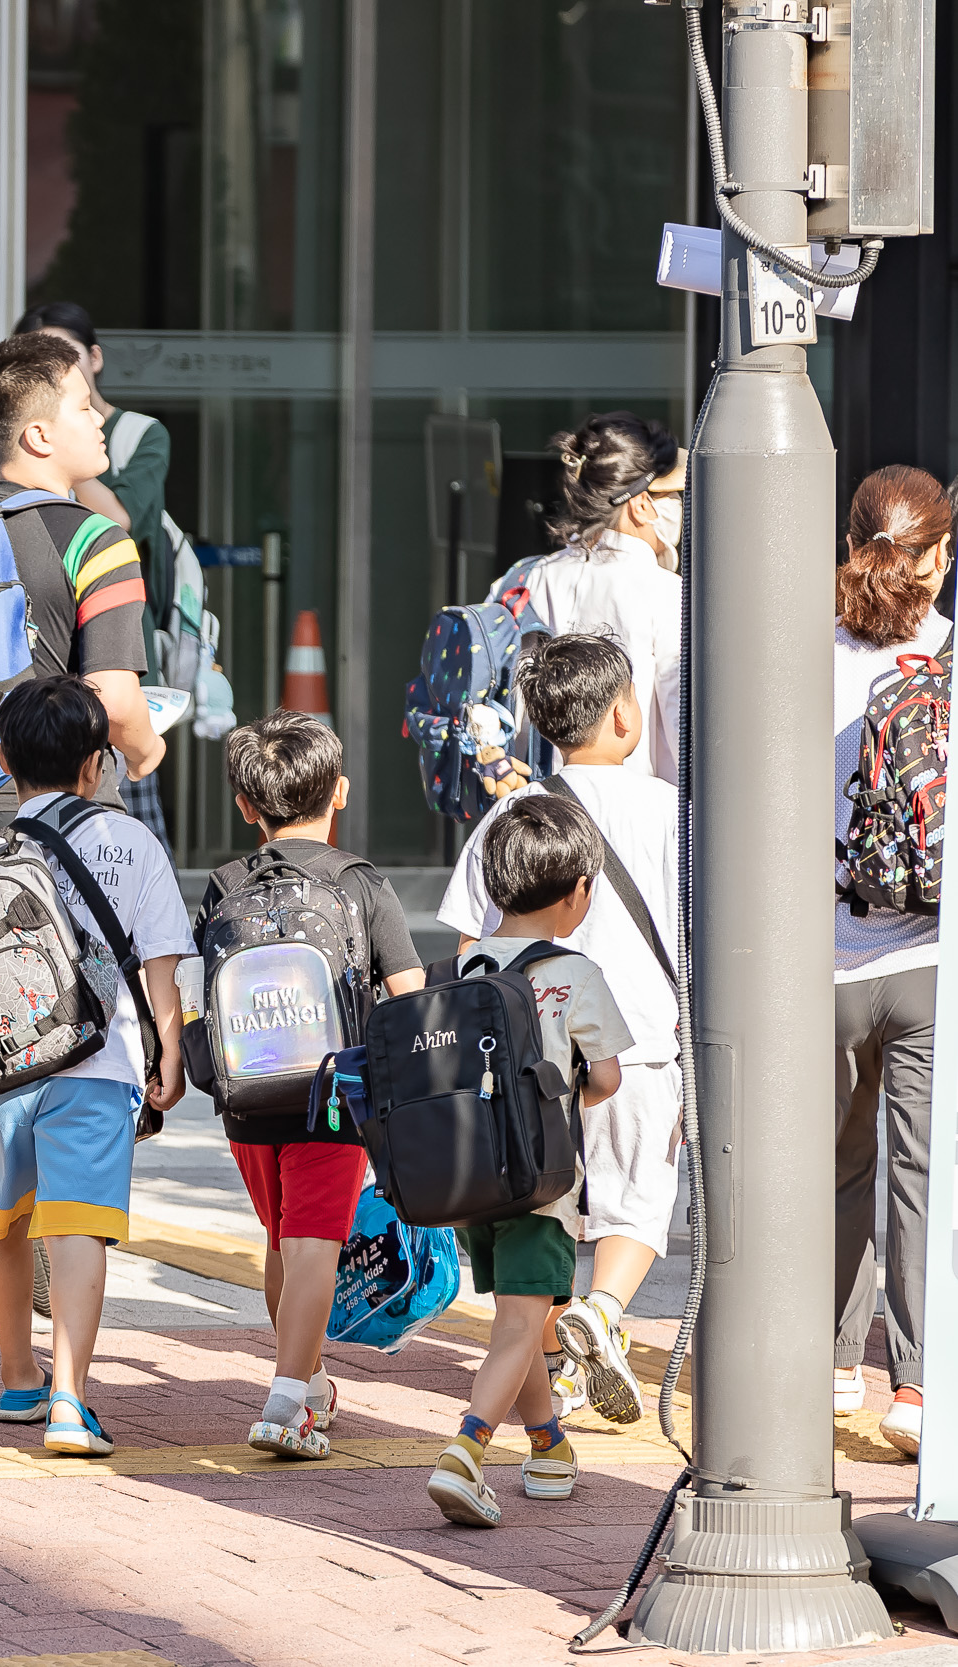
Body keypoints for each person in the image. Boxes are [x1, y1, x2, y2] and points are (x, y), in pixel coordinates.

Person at [0, 331, 171, 1332]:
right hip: (61, 814)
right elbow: (113, 693)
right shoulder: (94, 536)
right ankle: (55, 1247)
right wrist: (146, 750)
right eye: (82, 407)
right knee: (69, 1026)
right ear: (36, 431)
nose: (99, 419)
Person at [0, 675, 189, 1457]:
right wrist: (170, 1054)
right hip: (97, 1062)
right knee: (77, 1229)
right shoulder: (132, 843)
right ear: (97, 764)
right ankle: (70, 1399)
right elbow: (162, 967)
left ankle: (15, 1375)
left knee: (2, 1221)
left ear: (5, 760)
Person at [438, 635, 680, 1429]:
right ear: (624, 711)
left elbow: (469, 946)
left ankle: (556, 1370)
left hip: (531, 1063)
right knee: (637, 1208)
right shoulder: (671, 809)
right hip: (636, 1049)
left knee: (548, 1217)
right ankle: (603, 1312)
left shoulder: (513, 810)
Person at [199, 711, 424, 1458]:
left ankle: (311, 1380)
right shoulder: (360, 882)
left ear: (246, 805)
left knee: (284, 1243)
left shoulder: (224, 883)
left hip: (248, 1101)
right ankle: (286, 1400)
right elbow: (408, 989)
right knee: (314, 1248)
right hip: (333, 1096)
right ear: (341, 792)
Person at [426, 795, 631, 1529]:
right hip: (540, 1183)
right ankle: (464, 1451)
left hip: (468, 1180)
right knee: (519, 1326)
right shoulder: (576, 972)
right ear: (577, 893)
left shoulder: (463, 963)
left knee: (529, 1315)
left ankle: (547, 1447)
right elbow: (605, 1079)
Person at [826, 464, 948, 1456]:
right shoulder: (947, 661)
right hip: (928, 953)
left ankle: (823, 1368)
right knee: (915, 1178)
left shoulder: (803, 655)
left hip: (818, 957)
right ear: (940, 554)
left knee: (829, 1169)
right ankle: (911, 1390)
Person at [13, 300, 173, 847]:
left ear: (96, 357)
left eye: (70, 355)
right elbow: (117, 704)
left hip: (114, 643)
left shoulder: (137, 435)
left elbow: (123, 521)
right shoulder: (34, 462)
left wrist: (67, 460)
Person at [491, 413, 685, 784]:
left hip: (535, 816)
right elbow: (687, 733)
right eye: (673, 494)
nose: (679, 504)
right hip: (635, 821)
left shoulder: (522, 581)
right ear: (642, 504)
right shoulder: (665, 593)